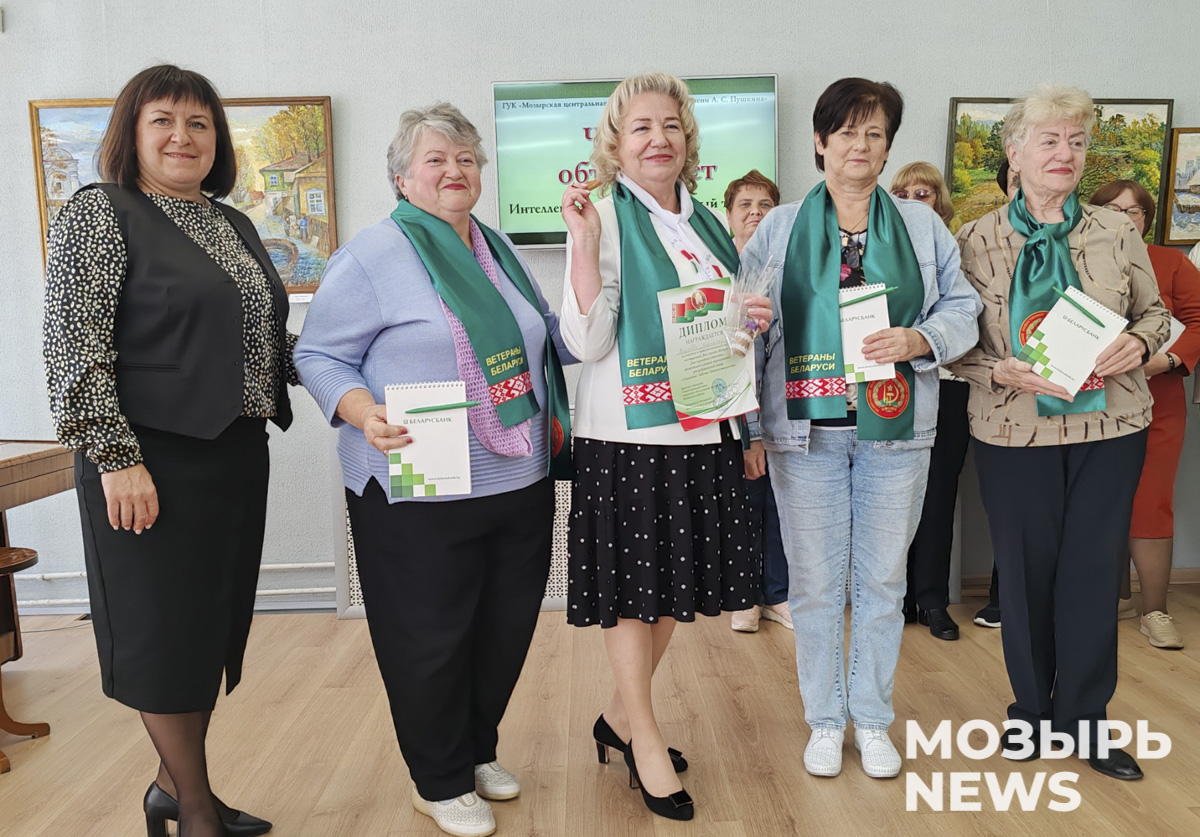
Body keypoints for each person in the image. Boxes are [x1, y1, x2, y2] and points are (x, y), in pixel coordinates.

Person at [295, 102, 572, 837]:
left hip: (518, 475)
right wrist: (362, 412)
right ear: (402, 177)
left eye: (467, 159)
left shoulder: (497, 247)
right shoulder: (372, 255)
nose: (455, 171)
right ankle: (438, 779)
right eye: (436, 160)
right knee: (429, 635)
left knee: (503, 628)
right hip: (417, 477)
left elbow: (549, 337)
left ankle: (474, 750)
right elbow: (316, 354)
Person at [43, 64, 292, 837]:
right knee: (162, 637)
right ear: (132, 132)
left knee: (204, 634)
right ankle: (195, 812)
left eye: (199, 123)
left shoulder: (234, 224)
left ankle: (171, 788)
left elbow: (264, 344)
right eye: (164, 120)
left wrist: (352, 373)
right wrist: (116, 457)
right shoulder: (101, 211)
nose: (183, 136)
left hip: (234, 458)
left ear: (217, 140)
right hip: (146, 459)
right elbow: (73, 345)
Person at [741, 78, 981, 780]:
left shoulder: (921, 227)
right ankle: (825, 718)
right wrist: (749, 425)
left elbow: (963, 308)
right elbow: (742, 326)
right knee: (815, 585)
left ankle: (872, 719)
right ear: (820, 142)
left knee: (882, 581)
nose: (860, 145)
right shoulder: (781, 227)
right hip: (805, 433)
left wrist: (920, 338)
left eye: (875, 134)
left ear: (887, 148)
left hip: (895, 429)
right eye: (847, 132)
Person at [559, 73, 771, 821]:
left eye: (672, 125)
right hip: (630, 435)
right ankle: (644, 738)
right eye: (641, 127)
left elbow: (720, 331)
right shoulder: (604, 218)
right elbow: (586, 341)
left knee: (677, 589)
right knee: (632, 593)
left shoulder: (707, 223)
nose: (659, 138)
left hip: (706, 428)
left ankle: (618, 718)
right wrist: (584, 247)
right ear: (615, 144)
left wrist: (748, 319)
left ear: (689, 141)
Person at [949, 84, 1170, 781]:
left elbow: (1157, 314)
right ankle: (1031, 712)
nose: (1064, 153)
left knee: (1092, 572)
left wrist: (1140, 341)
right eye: (1049, 140)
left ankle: (1086, 717)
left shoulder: (1117, 230)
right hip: (1013, 430)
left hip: (1112, 426)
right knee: (1022, 576)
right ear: (1015, 153)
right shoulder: (972, 241)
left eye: (1076, 141)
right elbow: (949, 345)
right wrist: (996, 369)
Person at [1089, 179, 1200, 649]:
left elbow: (1198, 320)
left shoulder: (1171, 263)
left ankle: (1155, 610)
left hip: (1158, 402)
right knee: (1098, 503)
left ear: (1146, 220)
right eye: (1112, 209)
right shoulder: (1074, 260)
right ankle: (1110, 600)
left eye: (1133, 211)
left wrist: (1168, 360)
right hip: (1090, 402)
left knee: (1150, 502)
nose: (1123, 218)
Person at [890, 162, 968, 641]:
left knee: (938, 497)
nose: (913, 202)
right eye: (903, 194)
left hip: (949, 384)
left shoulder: (956, 249)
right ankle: (897, 598)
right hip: (892, 387)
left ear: (940, 201)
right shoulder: (878, 248)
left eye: (924, 193)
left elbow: (965, 316)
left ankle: (932, 599)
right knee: (895, 497)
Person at [723, 170, 792, 633]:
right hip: (734, 418)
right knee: (742, 506)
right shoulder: (717, 273)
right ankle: (744, 595)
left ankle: (778, 595)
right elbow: (735, 363)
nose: (755, 213)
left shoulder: (785, 270)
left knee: (780, 507)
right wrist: (751, 434)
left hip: (785, 415)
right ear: (729, 215)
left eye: (765, 205)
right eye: (745, 205)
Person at [971, 158, 1022, 630]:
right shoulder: (975, 239)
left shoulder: (1101, 235)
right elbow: (958, 326)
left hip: (1086, 412)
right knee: (1011, 520)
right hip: (1000, 407)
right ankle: (1005, 600)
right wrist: (994, 370)